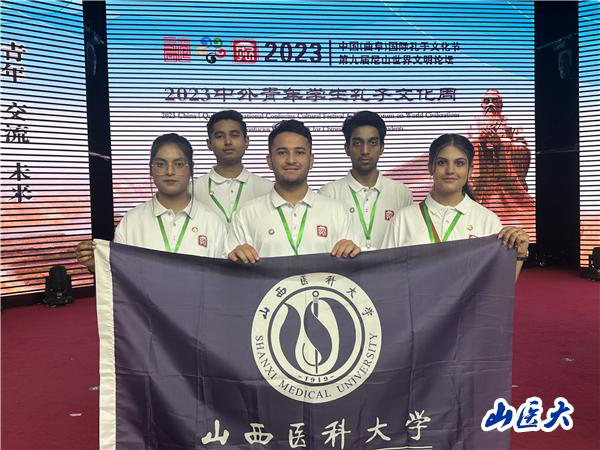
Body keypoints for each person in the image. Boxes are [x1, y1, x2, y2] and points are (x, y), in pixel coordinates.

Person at [381, 133, 529, 280]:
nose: (450, 170)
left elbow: (498, 284)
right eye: (442, 163)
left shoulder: (487, 220)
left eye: (459, 163)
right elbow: (385, 276)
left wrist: (520, 254)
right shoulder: (403, 218)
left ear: (470, 170)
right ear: (430, 167)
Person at [76, 133, 226, 273]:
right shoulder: (131, 221)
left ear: (191, 168)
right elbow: (119, 275)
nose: (169, 171)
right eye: (161, 164)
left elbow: (222, 279)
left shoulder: (212, 222)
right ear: (150, 169)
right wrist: (95, 264)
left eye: (179, 164)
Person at [227, 119, 360, 263]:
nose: (291, 160)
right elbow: (228, 271)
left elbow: (357, 267)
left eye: (299, 152)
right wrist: (236, 257)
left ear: (311, 160)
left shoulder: (338, 212)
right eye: (282, 152)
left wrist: (353, 251)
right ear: (269, 161)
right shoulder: (246, 214)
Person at [319, 110, 413, 250]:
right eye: (357, 143)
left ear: (382, 148)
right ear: (347, 148)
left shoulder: (401, 193)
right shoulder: (328, 194)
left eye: (372, 143)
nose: (365, 151)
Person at [193, 110, 273, 224]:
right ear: (209, 144)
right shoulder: (193, 191)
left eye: (234, 135)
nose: (228, 142)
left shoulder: (268, 189)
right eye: (220, 136)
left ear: (246, 141)